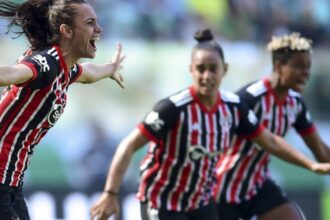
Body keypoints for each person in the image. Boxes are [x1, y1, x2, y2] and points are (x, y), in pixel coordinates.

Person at [90, 29, 330, 220]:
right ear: (191, 71)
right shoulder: (174, 108)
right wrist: (110, 193)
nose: (207, 76)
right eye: (200, 69)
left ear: (224, 70)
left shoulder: (235, 106)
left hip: (206, 198)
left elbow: (270, 140)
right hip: (171, 198)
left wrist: (312, 164)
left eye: (212, 69)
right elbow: (129, 144)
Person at [0, 0, 125, 219]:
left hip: (11, 182)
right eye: (90, 23)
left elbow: (89, 73)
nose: (99, 29)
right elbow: (11, 74)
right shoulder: (46, 63)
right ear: (66, 30)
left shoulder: (65, 68)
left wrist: (110, 69)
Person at [213, 32, 330, 220]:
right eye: (299, 66)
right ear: (278, 66)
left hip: (257, 184)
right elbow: (216, 132)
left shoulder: (296, 104)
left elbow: (320, 150)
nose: (306, 73)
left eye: (308, 66)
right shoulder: (250, 98)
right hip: (224, 187)